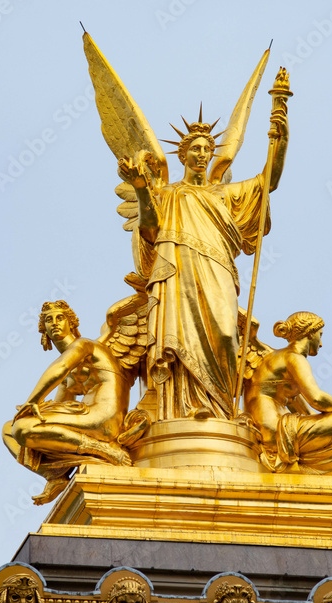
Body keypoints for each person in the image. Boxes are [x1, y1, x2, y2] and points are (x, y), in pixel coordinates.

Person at [117, 110, 288, 421]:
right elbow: (151, 229)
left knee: (225, 334)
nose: (201, 154)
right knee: (178, 335)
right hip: (177, 268)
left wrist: (281, 137)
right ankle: (185, 410)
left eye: (206, 149)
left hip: (218, 268)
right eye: (195, 149)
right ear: (183, 155)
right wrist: (142, 188)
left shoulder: (224, 194)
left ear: (212, 155)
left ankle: (221, 409)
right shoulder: (169, 193)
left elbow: (269, 182)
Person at [2, 301, 131, 505]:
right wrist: (40, 409)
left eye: (60, 318)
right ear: (43, 330)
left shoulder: (86, 345)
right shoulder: (67, 377)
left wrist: (33, 400)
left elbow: (61, 366)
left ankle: (102, 450)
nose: (54, 323)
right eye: (48, 320)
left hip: (103, 416)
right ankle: (55, 475)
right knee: (10, 430)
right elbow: (52, 419)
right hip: (85, 416)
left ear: (72, 323)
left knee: (23, 428)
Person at [244, 312, 332, 484]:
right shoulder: (294, 358)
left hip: (269, 426)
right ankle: (319, 478)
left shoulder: (275, 356)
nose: (321, 343)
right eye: (320, 335)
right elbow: (316, 399)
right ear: (310, 333)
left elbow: (307, 410)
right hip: (277, 431)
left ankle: (316, 475)